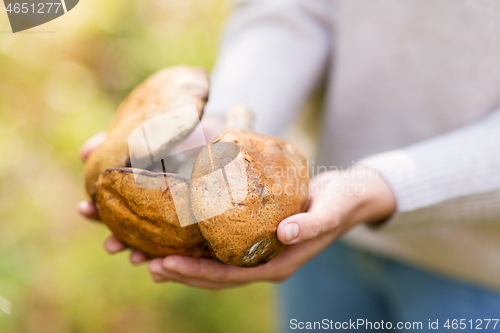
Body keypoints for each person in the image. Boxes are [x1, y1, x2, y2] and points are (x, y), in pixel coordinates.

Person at [79, 0, 500, 331]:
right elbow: (293, 7)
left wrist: (384, 186)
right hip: (310, 224)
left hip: (477, 272)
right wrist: (225, 121)